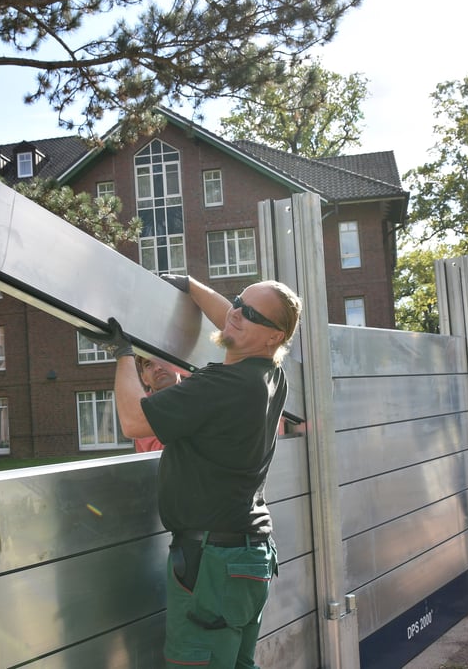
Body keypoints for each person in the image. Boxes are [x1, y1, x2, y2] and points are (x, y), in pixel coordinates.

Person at [80, 275, 302, 668]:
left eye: (250, 314)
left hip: (213, 564)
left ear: (275, 336)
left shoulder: (225, 384)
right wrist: (188, 284)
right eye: (238, 302)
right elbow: (233, 318)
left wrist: (123, 352)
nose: (235, 314)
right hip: (247, 558)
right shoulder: (270, 375)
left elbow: (133, 421)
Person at [132, 355, 187, 452]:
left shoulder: (197, 393)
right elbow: (160, 452)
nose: (158, 368)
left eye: (163, 360)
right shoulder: (142, 409)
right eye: (148, 364)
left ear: (178, 365)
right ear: (144, 378)